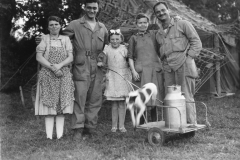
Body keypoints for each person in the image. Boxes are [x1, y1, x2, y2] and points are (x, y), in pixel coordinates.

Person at [62, 0, 108, 140]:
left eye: (94, 8)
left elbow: (107, 46)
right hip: (82, 65)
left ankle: (90, 127)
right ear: (84, 8)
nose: (92, 10)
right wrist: (45, 40)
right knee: (80, 97)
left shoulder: (102, 27)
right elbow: (61, 38)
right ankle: (78, 129)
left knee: (95, 98)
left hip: (98, 65)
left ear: (98, 9)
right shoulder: (75, 24)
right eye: (89, 8)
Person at [153, 1, 202, 125]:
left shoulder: (183, 24)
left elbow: (196, 42)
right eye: (157, 12)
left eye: (163, 10)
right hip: (168, 68)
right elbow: (160, 51)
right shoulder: (158, 33)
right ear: (155, 15)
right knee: (171, 97)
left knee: (186, 96)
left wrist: (189, 58)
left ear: (168, 10)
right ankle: (175, 124)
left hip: (184, 64)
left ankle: (190, 126)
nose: (161, 13)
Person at [35, 16, 74, 140]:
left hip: (63, 74)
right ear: (47, 27)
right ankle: (48, 137)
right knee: (49, 106)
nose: (54, 27)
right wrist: (52, 68)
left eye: (56, 24)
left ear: (60, 26)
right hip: (47, 74)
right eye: (51, 25)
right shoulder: (44, 38)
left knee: (60, 106)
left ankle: (60, 136)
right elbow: (39, 57)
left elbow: (70, 57)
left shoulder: (66, 39)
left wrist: (59, 66)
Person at [128, 13, 164, 124]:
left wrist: (176, 20)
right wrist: (133, 71)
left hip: (154, 70)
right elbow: (130, 57)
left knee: (154, 96)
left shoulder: (154, 34)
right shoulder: (133, 38)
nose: (143, 25)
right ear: (136, 24)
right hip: (140, 71)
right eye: (140, 23)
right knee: (141, 97)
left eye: (145, 22)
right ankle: (141, 123)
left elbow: (164, 29)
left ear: (148, 23)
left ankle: (154, 122)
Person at [97, 29, 132, 133]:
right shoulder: (107, 48)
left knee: (122, 102)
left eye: (117, 39)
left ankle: (121, 125)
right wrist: (100, 62)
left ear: (121, 39)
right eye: (112, 39)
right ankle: (114, 125)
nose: (115, 41)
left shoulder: (124, 48)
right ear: (109, 40)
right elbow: (101, 57)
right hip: (112, 76)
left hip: (123, 76)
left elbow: (130, 59)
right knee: (114, 103)